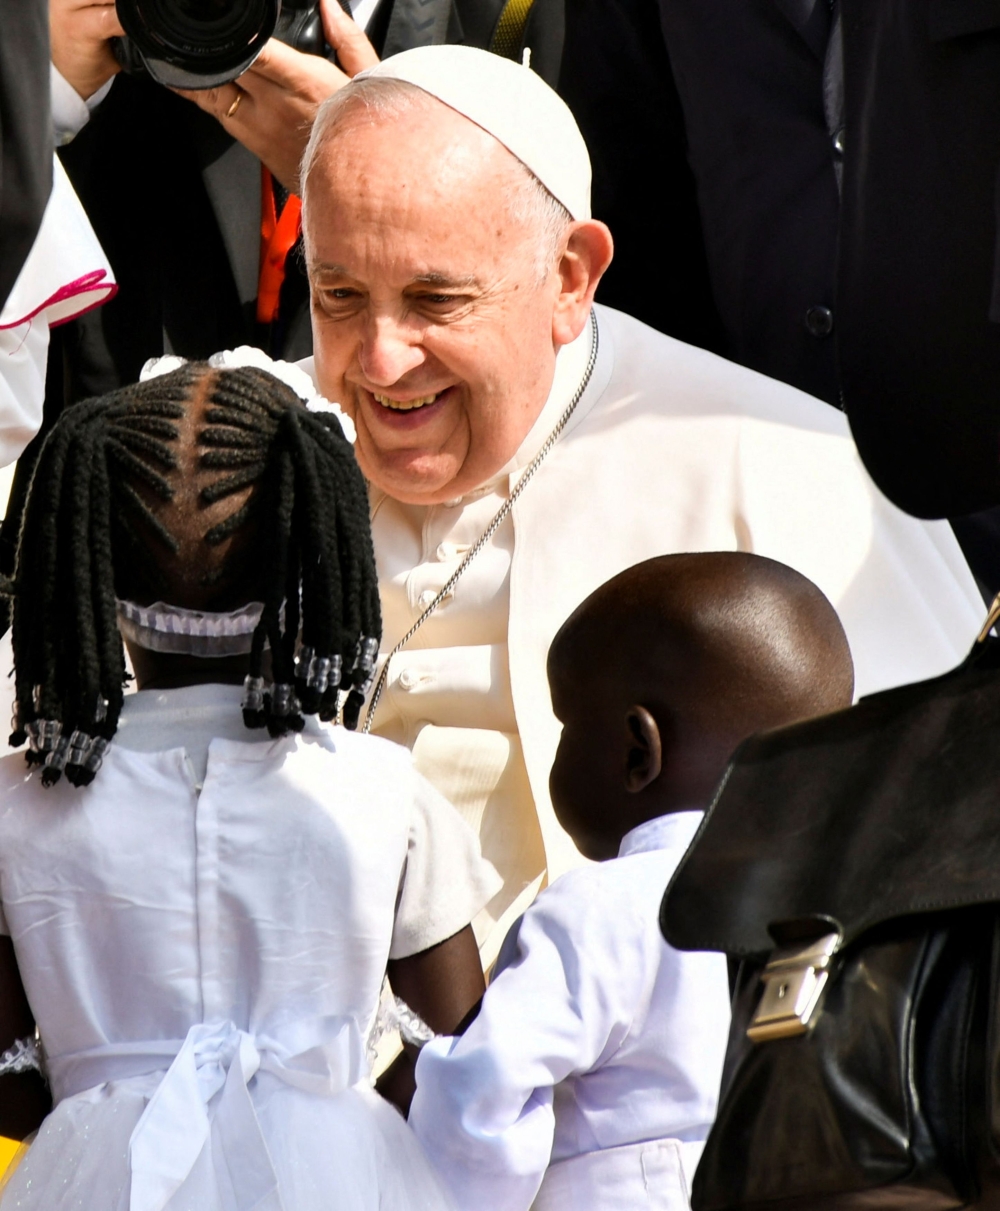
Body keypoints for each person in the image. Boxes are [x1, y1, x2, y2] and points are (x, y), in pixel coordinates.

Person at [294, 44, 984, 961]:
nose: (379, 363)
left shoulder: (783, 471)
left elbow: (930, 854)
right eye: (339, 295)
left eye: (435, 300)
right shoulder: (245, 443)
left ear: (571, 278)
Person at [0, 361, 498, 1210]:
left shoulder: (16, 801)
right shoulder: (384, 789)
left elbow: (5, 1073)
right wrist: (337, 1121)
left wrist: (95, 1110)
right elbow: (464, 1040)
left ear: (85, 566)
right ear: (313, 555)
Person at [410, 551, 856, 1211]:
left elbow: (483, 1091)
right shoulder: (842, 915)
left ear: (637, 750)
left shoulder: (602, 908)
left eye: (567, 725)